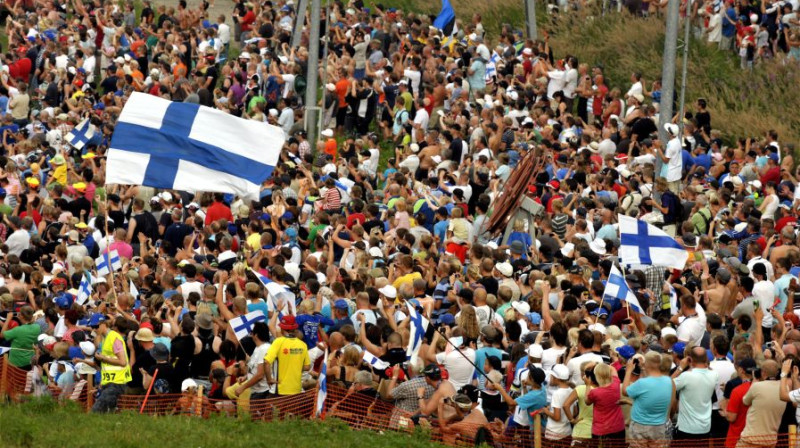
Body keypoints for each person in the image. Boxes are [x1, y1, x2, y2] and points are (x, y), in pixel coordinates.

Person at [622, 352, 674, 448]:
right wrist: (643, 368)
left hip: (640, 426)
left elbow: (625, 391)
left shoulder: (642, 383)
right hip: (659, 426)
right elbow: (651, 381)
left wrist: (628, 371)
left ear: (647, 364)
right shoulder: (668, 381)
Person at [672, 346, 719, 440]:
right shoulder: (714, 375)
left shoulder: (686, 376)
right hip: (704, 428)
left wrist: (680, 368)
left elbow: (667, 384)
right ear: (706, 359)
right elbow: (708, 369)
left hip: (686, 428)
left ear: (690, 359)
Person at [92, 316, 132, 413]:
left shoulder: (114, 338)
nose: (94, 329)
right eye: (92, 327)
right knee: (108, 413)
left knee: (95, 412)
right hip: (109, 381)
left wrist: (102, 358)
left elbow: (123, 362)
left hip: (117, 382)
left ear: (104, 324)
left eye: (96, 326)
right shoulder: (106, 338)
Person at [264, 315, 310, 396]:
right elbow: (307, 367)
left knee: (267, 408)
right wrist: (294, 365)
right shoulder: (303, 344)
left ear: (282, 328)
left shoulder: (278, 342)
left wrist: (269, 379)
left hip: (280, 390)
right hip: (297, 390)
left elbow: (266, 362)